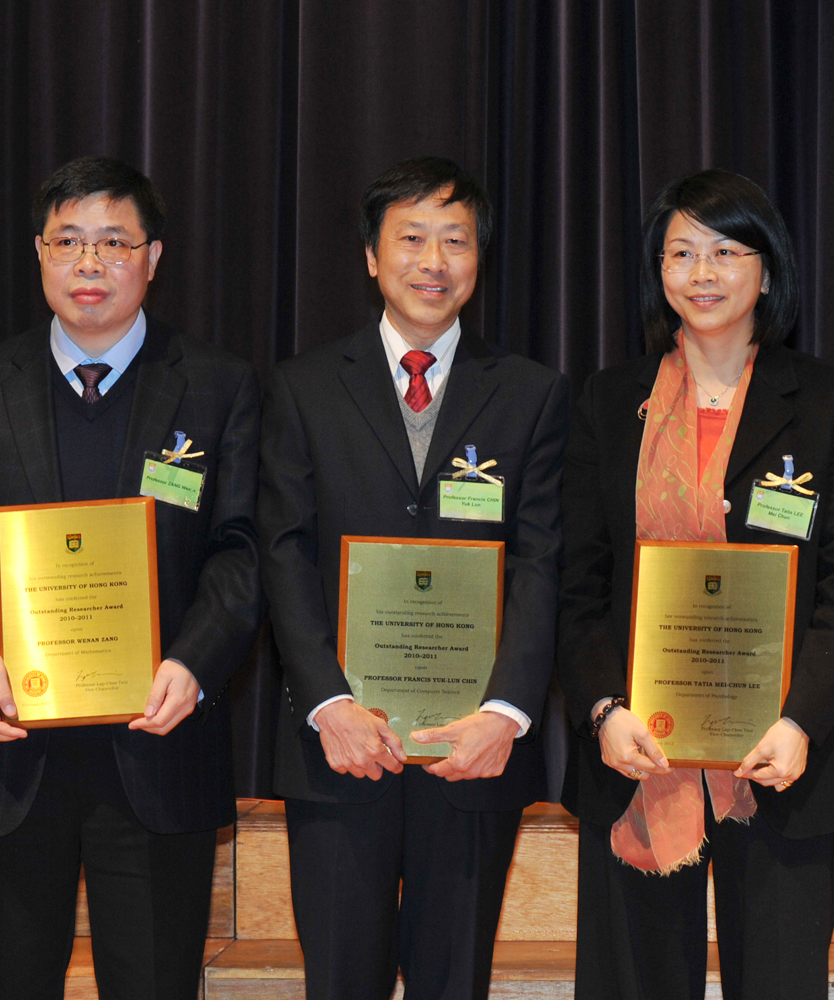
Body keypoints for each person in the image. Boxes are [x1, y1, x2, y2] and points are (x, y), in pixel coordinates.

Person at [0, 156, 261, 999]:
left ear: (153, 257)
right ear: (39, 252)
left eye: (113, 242)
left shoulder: (217, 386)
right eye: (68, 241)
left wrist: (195, 663)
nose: (89, 263)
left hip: (159, 749)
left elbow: (242, 549)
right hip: (10, 755)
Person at [557, 169, 834, 1000]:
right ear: (657, 272)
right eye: (680, 253)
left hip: (782, 756)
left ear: (767, 271)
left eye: (726, 252)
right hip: (638, 751)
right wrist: (603, 710)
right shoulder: (609, 401)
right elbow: (578, 580)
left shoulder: (830, 402)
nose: (701, 273)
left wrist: (800, 720)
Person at [258, 156, 567, 1000]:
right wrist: (327, 702)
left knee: (454, 980)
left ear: (479, 259)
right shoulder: (304, 387)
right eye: (412, 239)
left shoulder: (533, 394)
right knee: (340, 980)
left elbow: (542, 561)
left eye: (455, 241)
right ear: (371, 256)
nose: (434, 262)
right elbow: (282, 553)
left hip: (474, 753)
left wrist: (506, 714)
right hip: (339, 748)